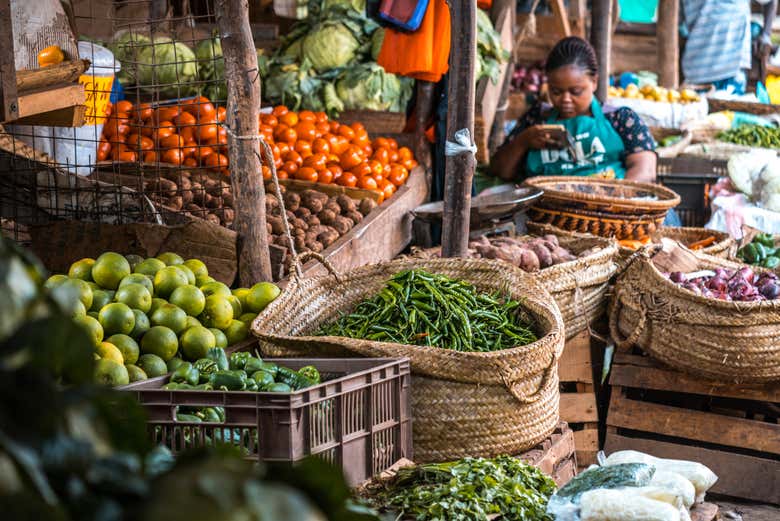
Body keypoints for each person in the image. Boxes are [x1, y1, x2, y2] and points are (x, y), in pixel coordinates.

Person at [490, 37, 657, 184]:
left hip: (611, 210)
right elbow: (500, 171)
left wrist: (614, 198)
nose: (565, 99)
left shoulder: (621, 119)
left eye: (576, 91)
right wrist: (524, 140)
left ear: (594, 82)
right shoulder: (536, 119)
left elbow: (645, 171)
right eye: (556, 92)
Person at [680, 0, 777, 94]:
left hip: (731, 69)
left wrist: (766, 36)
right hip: (696, 71)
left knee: (728, 109)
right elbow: (677, 25)